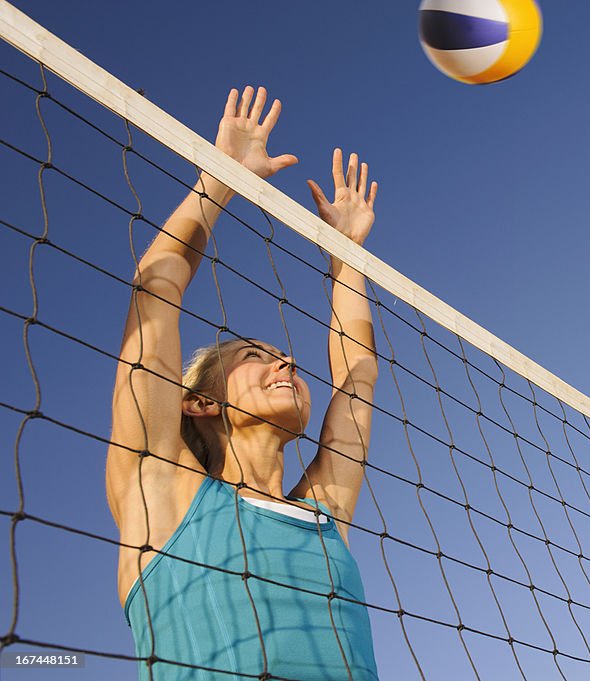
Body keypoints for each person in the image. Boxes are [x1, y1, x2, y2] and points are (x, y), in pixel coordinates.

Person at [105, 86, 380, 681]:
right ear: (200, 401)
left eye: (287, 359)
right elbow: (156, 290)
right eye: (257, 356)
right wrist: (221, 176)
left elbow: (358, 378)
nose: (287, 366)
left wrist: (348, 254)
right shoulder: (161, 489)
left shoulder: (324, 513)